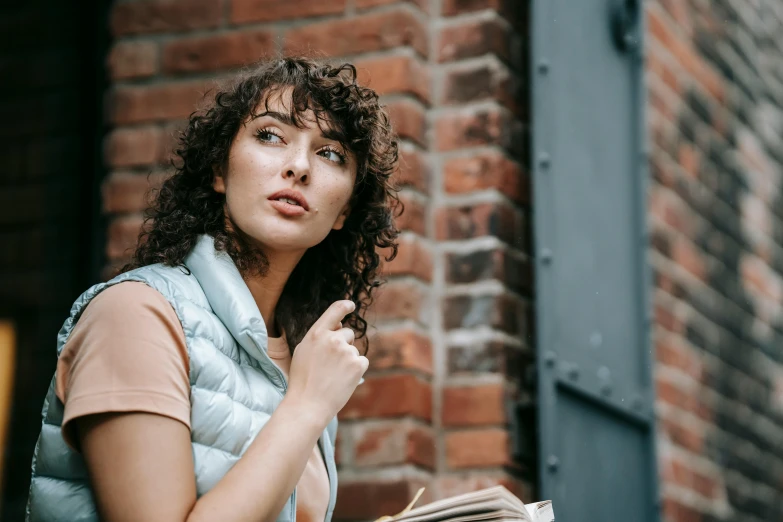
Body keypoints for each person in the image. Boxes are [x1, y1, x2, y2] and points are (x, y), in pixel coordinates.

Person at [26, 57, 401, 522]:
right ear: (219, 171)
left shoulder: (301, 354)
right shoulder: (136, 315)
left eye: (331, 154)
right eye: (270, 135)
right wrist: (306, 406)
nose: (299, 166)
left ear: (345, 210)